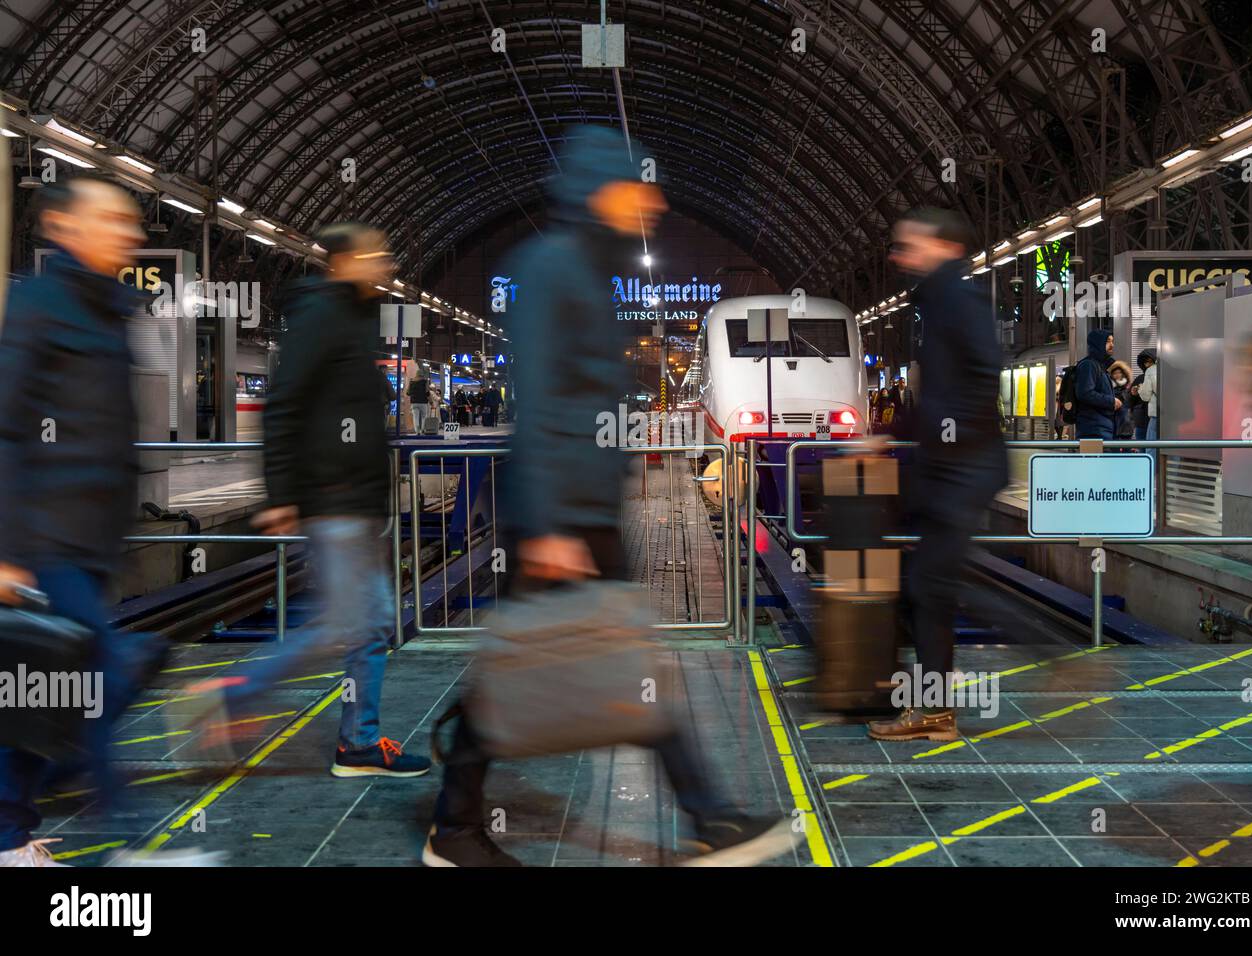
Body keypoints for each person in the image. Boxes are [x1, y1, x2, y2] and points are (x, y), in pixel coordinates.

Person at [426, 125, 790, 867]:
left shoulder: (585, 267)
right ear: (600, 189)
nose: (652, 200)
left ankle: (704, 818)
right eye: (637, 185)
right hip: (562, 513)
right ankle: (461, 827)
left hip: (584, 505)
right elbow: (543, 399)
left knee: (617, 659)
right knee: (543, 663)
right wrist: (548, 525)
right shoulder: (553, 268)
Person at [182, 223, 429, 780]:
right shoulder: (323, 315)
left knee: (369, 623)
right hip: (332, 499)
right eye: (371, 255)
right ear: (342, 261)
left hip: (357, 503)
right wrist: (281, 495)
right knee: (344, 624)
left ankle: (358, 743)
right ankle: (233, 696)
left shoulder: (358, 318)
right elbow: (285, 404)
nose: (382, 262)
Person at [0, 176, 174, 866]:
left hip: (95, 540)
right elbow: (7, 430)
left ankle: (14, 832)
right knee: (90, 673)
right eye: (111, 220)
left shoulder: (114, 308)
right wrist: (7, 551)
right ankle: (126, 843)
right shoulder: (39, 301)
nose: (129, 233)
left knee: (49, 688)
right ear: (64, 227)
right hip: (46, 536)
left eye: (132, 222)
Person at [869, 207, 1008, 743]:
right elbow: (940, 393)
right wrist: (891, 430)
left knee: (930, 586)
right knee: (925, 587)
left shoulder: (957, 298)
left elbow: (980, 373)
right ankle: (932, 709)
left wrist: (949, 440)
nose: (900, 256)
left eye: (911, 245)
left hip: (961, 471)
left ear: (946, 248)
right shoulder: (938, 302)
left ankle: (936, 712)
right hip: (954, 469)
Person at [1074, 329, 1121, 441]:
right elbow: (1085, 393)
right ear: (1098, 343)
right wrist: (1111, 401)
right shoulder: (1088, 365)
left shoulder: (1100, 366)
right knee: (1095, 458)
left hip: (1102, 427)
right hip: (1093, 430)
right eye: (1108, 341)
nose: (1112, 345)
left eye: (1112, 341)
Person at [1135, 348, 1158, 452]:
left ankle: (1153, 468)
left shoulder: (1150, 371)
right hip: (1172, 418)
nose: (1147, 364)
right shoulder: (1169, 369)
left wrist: (1140, 389)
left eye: (1149, 361)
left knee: (1151, 448)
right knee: (1171, 447)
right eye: (1145, 362)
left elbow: (1145, 396)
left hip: (1155, 415)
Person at [1110, 360, 1135, 441]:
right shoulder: (1108, 389)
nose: (1117, 375)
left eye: (1119, 372)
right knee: (1113, 449)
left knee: (1126, 449)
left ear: (1123, 374)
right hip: (1112, 422)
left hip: (1126, 422)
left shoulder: (1129, 388)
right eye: (1114, 373)